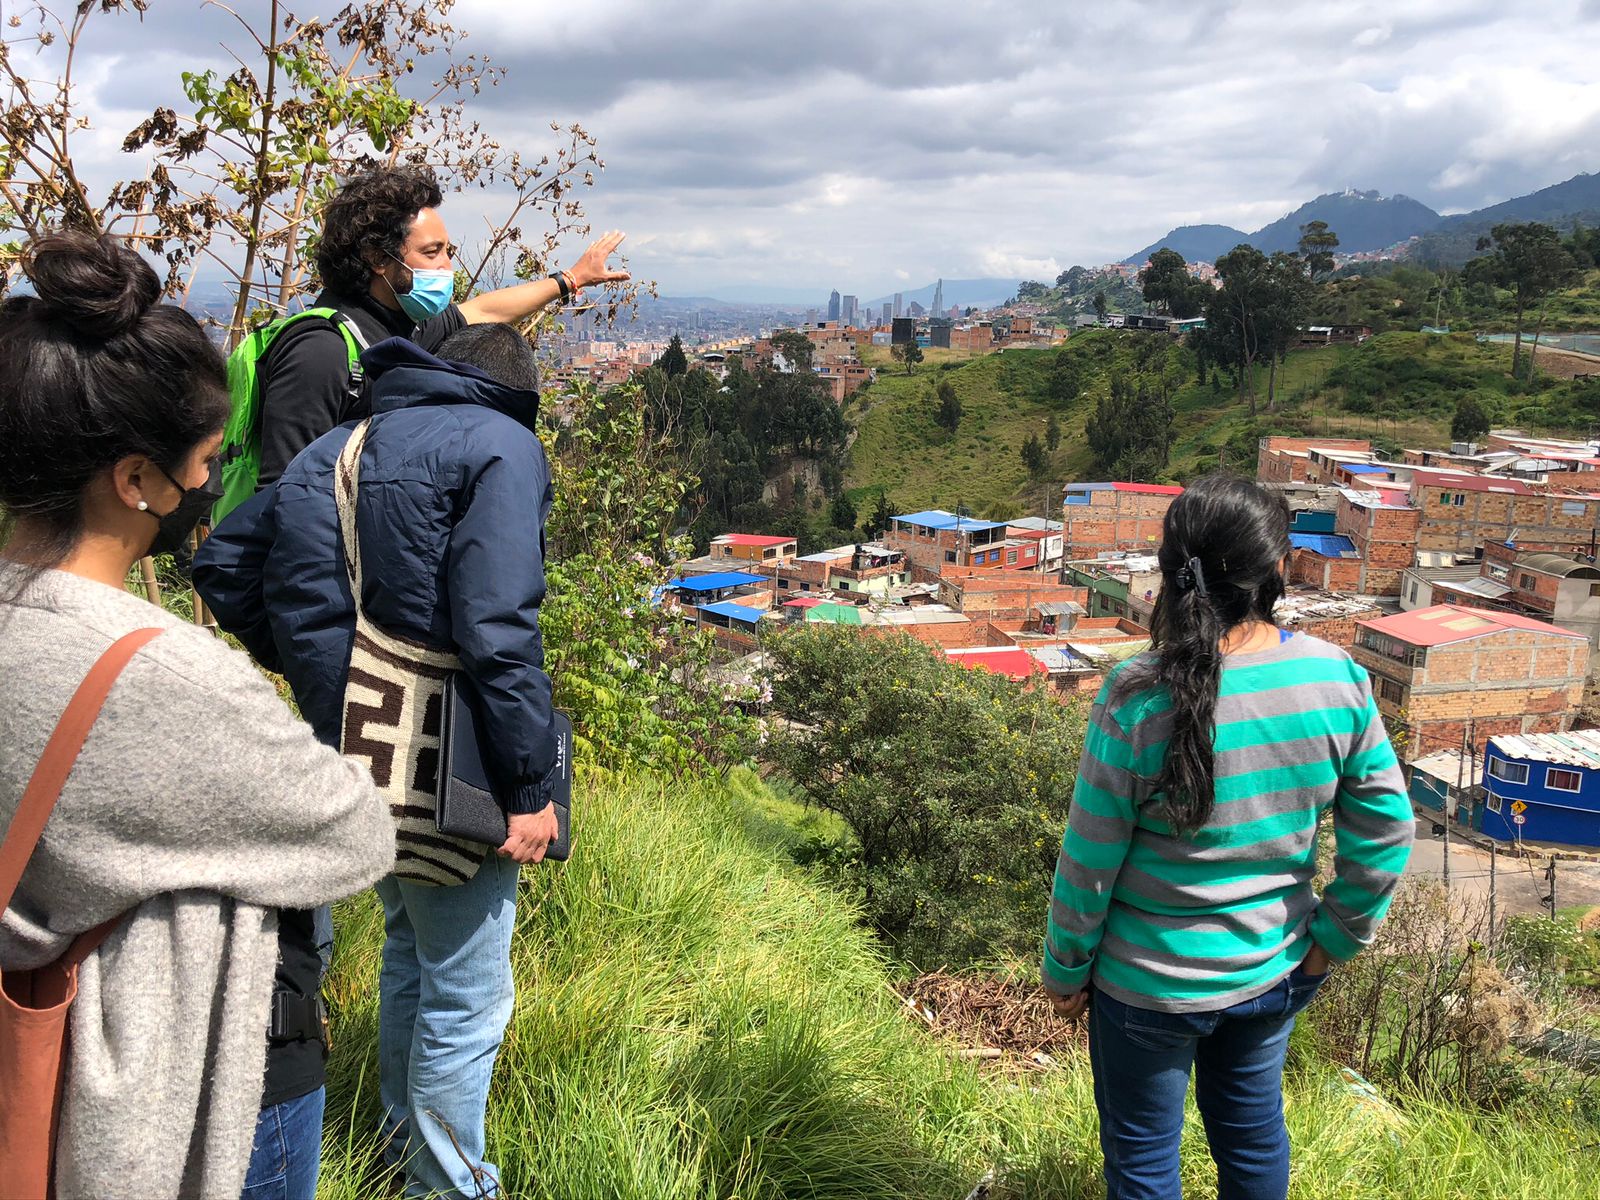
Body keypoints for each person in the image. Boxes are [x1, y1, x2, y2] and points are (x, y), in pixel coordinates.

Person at [0, 231, 396, 1199]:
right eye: (209, 462)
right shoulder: (169, 678)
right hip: (130, 1128)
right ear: (136, 481)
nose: (213, 488)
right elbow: (355, 833)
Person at [195, 322, 561, 1200]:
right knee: (470, 992)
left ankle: (403, 1155)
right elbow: (499, 630)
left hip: (352, 753)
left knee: (409, 949)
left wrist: (327, 673)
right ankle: (451, 1185)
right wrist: (530, 787)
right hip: (450, 764)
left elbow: (221, 565)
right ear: (514, 391)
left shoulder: (336, 444)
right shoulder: (502, 444)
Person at [1042, 473, 1414, 1200]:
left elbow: (1088, 864)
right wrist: (1331, 942)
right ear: (1277, 570)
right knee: (1250, 1139)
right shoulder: (1336, 678)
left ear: (1171, 572)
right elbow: (1387, 835)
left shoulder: (1135, 695)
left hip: (1145, 990)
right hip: (1270, 971)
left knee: (1145, 1164)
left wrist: (1064, 972)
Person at [252, 164, 628, 490]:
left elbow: (485, 311)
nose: (447, 267)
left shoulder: (402, 330)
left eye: (448, 252)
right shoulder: (321, 352)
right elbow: (284, 492)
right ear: (376, 258)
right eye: (432, 253)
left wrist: (572, 279)